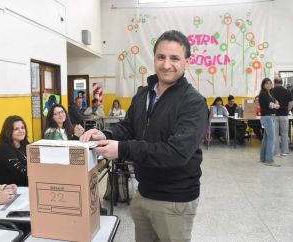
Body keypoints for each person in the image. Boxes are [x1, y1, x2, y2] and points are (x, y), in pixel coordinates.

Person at [80, 30, 208, 242]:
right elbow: (128, 127)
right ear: (154, 57)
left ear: (187, 61)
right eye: (161, 57)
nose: (166, 64)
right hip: (143, 193)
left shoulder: (193, 102)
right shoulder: (143, 94)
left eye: (175, 58)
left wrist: (122, 149)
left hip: (173, 199)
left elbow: (176, 153)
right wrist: (105, 134)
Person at [0, 115, 30, 186]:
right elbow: (20, 172)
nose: (21, 131)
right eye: (16, 129)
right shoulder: (3, 148)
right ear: (8, 131)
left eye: (22, 128)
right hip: (12, 188)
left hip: (26, 184)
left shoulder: (24, 144)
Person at [259, 78, 280, 166]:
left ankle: (263, 158)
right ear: (263, 85)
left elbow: (277, 104)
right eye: (267, 83)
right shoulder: (264, 94)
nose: (269, 85)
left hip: (270, 117)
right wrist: (275, 105)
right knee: (272, 138)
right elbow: (272, 106)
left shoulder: (270, 94)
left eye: (270, 83)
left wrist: (275, 105)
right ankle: (269, 160)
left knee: (267, 138)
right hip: (267, 117)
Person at [272, 78, 293, 156]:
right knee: (284, 134)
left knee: (275, 134)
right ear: (282, 82)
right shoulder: (287, 91)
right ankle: (285, 151)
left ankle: (276, 152)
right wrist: (287, 110)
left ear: (274, 83)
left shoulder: (271, 91)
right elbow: (291, 103)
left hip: (274, 115)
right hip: (284, 115)